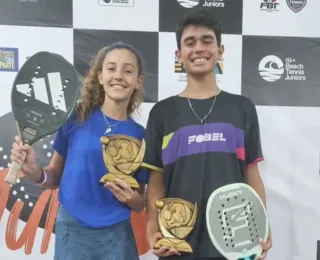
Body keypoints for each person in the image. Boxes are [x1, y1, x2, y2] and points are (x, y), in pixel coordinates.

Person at [143, 8, 272, 260]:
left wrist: (262, 225)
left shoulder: (242, 108)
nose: (198, 48)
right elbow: (155, 179)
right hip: (177, 244)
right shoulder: (162, 112)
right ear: (179, 55)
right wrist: (152, 222)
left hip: (235, 244)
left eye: (207, 41)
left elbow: (251, 174)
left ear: (220, 51)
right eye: (189, 43)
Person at [9, 42, 149, 260]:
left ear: (138, 81)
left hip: (117, 236)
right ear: (100, 76)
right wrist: (35, 171)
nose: (119, 76)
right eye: (111, 68)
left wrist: (131, 198)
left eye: (128, 70)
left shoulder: (140, 135)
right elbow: (52, 177)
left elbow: (140, 203)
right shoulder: (75, 119)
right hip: (73, 232)